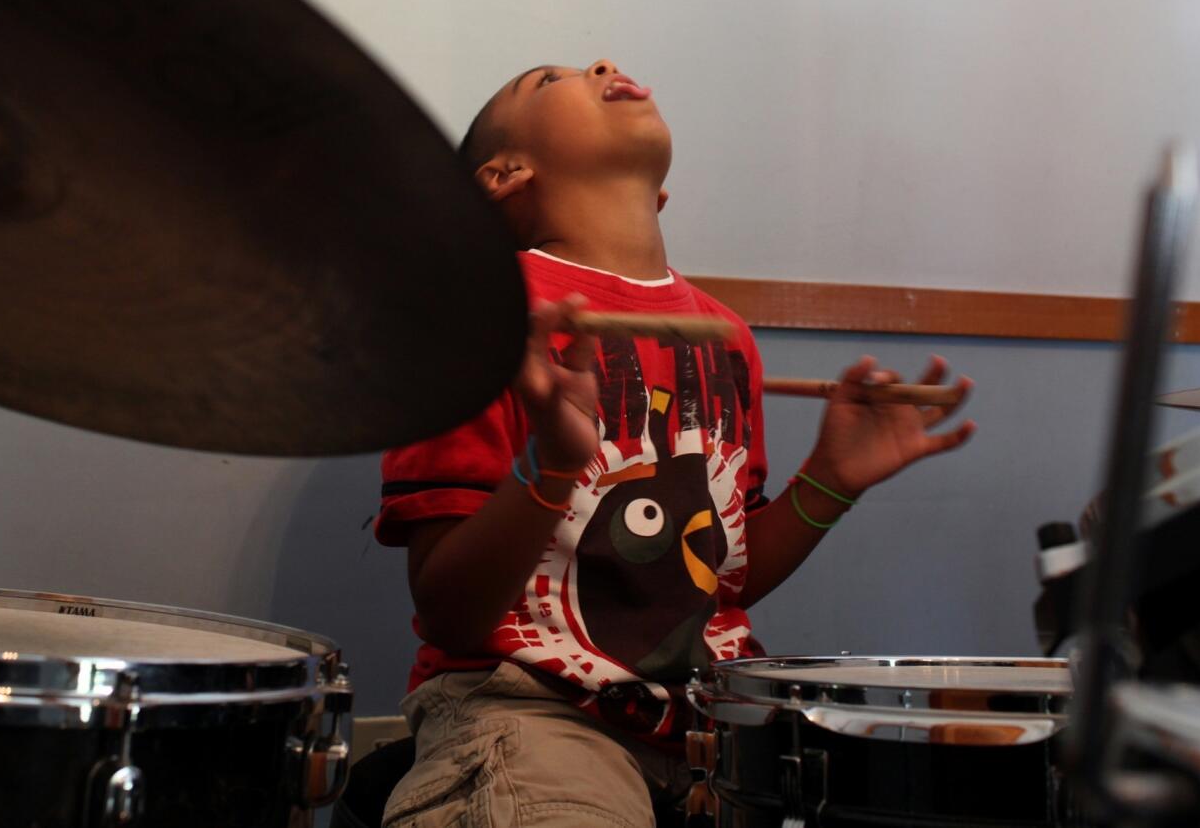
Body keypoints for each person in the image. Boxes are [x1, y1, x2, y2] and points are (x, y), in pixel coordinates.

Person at [373, 59, 975, 828]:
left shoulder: (724, 337)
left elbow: (715, 580)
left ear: (659, 196)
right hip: (524, 713)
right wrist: (551, 469)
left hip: (710, 728)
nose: (601, 63)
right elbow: (452, 615)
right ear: (504, 175)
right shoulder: (480, 315)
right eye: (549, 79)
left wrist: (829, 482)